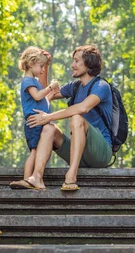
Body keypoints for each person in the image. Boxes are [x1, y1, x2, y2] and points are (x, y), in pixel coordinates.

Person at [24, 45, 113, 191]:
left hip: (101, 153)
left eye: (76, 61)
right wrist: (45, 66)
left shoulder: (101, 86)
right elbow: (47, 95)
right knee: (48, 128)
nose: (72, 65)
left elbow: (82, 107)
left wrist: (48, 117)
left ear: (89, 63)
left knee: (77, 117)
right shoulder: (75, 87)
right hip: (79, 153)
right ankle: (37, 178)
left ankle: (71, 177)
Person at [10, 47, 59, 190]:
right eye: (41, 66)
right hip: (34, 122)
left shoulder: (34, 81)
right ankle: (27, 179)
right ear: (31, 64)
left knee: (38, 150)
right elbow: (37, 96)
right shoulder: (28, 81)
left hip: (39, 121)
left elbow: (41, 100)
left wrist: (50, 93)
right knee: (35, 151)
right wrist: (50, 87)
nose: (43, 70)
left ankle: (31, 179)